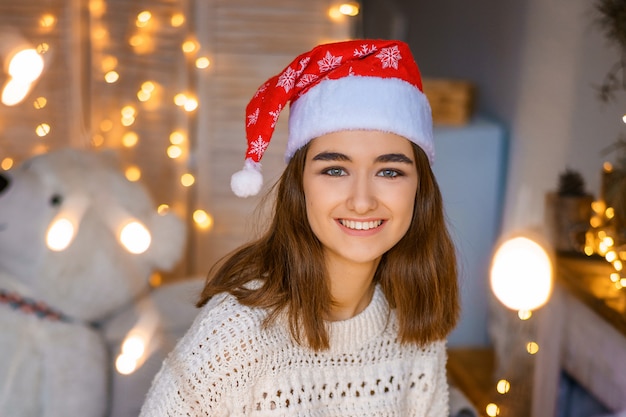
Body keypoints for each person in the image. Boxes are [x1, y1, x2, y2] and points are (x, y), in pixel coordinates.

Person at [139, 39, 459, 416]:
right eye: (335, 170)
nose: (361, 200)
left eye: (390, 171)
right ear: (299, 186)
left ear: (420, 189)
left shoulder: (418, 324)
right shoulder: (236, 336)